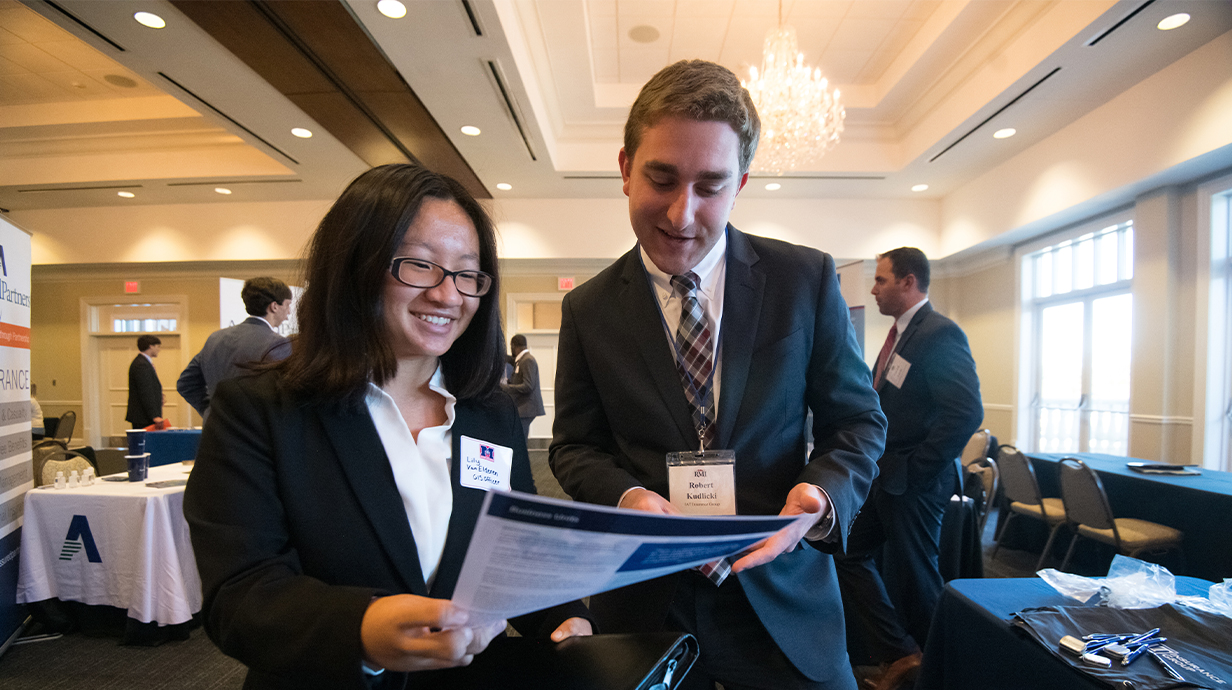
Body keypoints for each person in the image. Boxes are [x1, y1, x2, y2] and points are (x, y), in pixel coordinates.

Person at [183, 163, 592, 690]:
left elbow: (513, 553)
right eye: (419, 266)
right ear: (354, 266)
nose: (448, 295)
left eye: (467, 273)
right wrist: (363, 628)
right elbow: (239, 595)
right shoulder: (260, 411)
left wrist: (566, 620)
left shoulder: (488, 414)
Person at [549, 60, 886, 690]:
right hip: (646, 598)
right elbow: (574, 446)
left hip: (783, 597)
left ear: (741, 183)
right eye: (662, 178)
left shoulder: (803, 280)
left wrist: (820, 498)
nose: (682, 212)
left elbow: (858, 420)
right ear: (625, 168)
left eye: (711, 185)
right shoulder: (588, 308)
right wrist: (629, 498)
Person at [834, 247, 983, 690]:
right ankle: (902, 655)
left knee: (920, 578)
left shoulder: (938, 333)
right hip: (888, 476)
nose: (874, 289)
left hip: (916, 481)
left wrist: (917, 470)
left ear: (909, 281)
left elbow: (965, 412)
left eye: (881, 280)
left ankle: (946, 672)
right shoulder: (903, 333)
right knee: (846, 552)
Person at [176, 276, 293, 418]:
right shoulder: (279, 345)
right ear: (274, 306)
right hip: (257, 434)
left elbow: (186, 383)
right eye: (287, 305)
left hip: (215, 433)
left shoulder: (215, 339)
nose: (289, 313)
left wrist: (210, 411)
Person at [501, 334, 544, 439]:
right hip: (523, 408)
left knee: (520, 439)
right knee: (519, 438)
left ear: (514, 346)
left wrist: (507, 387)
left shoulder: (527, 360)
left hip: (527, 408)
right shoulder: (521, 360)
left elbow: (528, 386)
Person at [125, 334, 163, 429]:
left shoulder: (143, 362)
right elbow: (145, 391)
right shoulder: (141, 365)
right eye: (157, 346)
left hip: (145, 415)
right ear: (151, 346)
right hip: (143, 416)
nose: (159, 349)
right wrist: (154, 415)